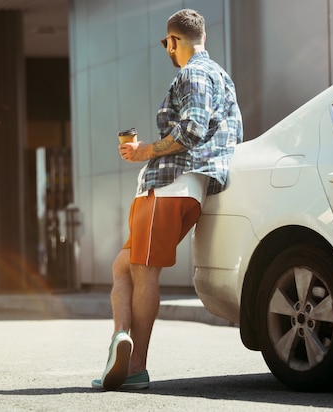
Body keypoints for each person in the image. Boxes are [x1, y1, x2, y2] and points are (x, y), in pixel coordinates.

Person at [92, 9, 243, 390]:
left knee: (142, 272)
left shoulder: (192, 73)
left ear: (174, 41)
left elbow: (191, 129)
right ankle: (121, 339)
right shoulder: (222, 76)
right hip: (186, 190)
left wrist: (146, 151)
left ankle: (134, 365)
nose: (168, 51)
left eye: (166, 44)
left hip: (170, 185)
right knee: (123, 267)